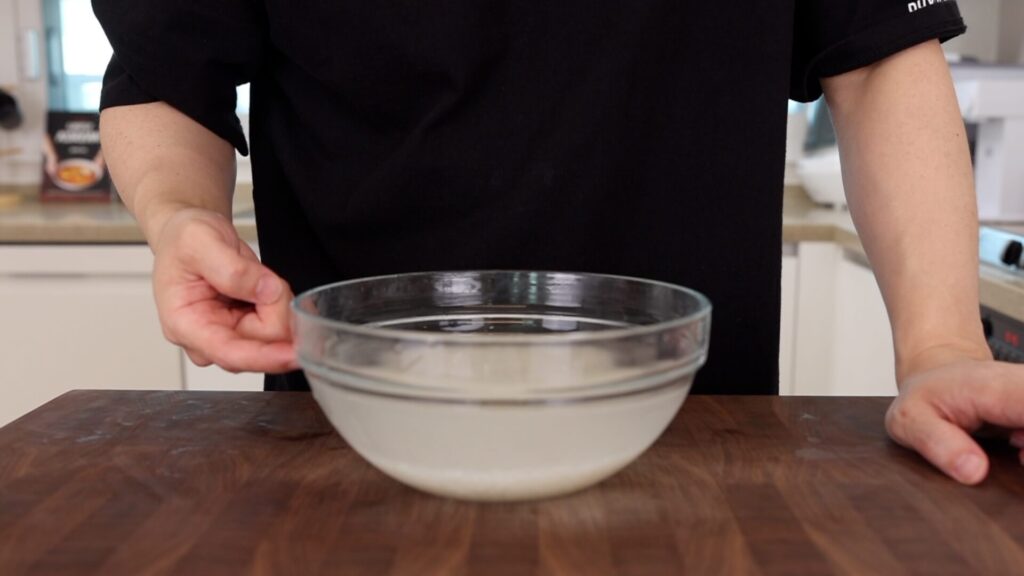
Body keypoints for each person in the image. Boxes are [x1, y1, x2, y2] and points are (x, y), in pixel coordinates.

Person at [93, 1, 1023, 485]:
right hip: (351, 441)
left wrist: (941, 348)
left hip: (701, 447)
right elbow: (167, 74)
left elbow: (879, 53)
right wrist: (181, 215)